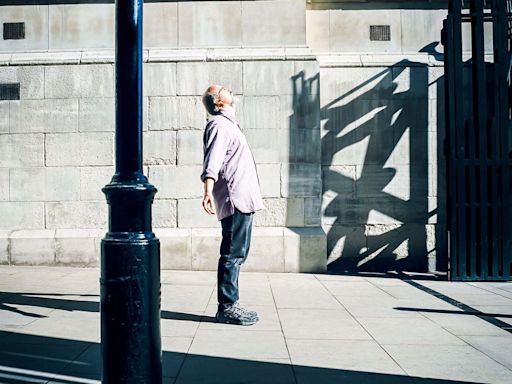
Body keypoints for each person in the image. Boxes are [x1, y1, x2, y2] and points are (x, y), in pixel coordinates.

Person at [200, 84, 264, 326]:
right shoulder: (218, 125)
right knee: (232, 253)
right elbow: (212, 160)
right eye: (223, 89)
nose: (229, 89)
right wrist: (207, 190)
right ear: (219, 102)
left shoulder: (229, 125)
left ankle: (230, 303)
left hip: (243, 198)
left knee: (238, 253)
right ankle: (227, 306)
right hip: (234, 198)